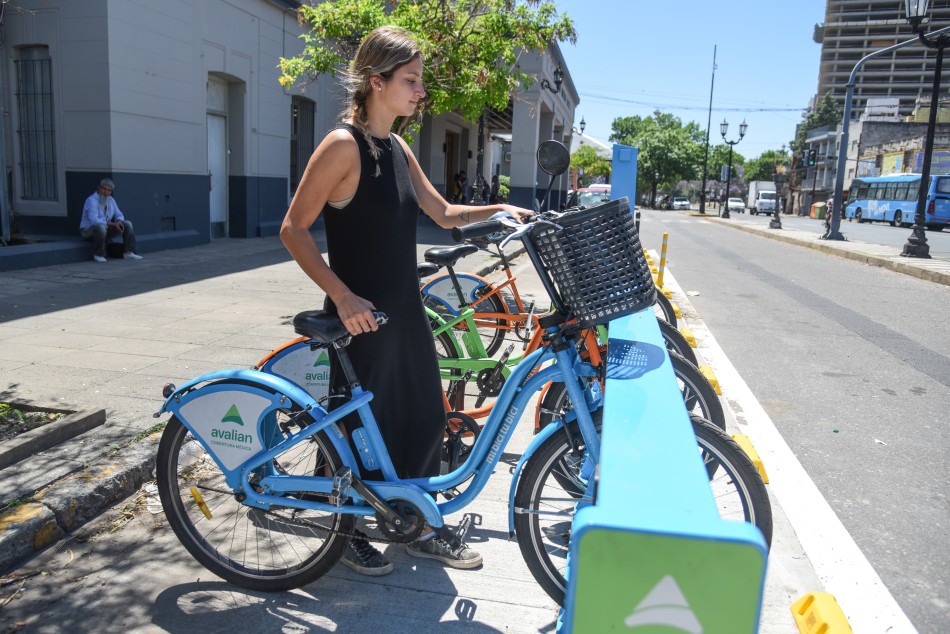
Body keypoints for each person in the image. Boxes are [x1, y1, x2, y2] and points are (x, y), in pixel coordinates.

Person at [279, 25, 533, 577]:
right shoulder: (341, 147)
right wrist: (341, 297)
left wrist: (498, 211)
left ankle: (414, 526)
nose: (421, 92)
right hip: (361, 317)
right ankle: (340, 530)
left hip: (405, 311)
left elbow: (442, 213)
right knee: (353, 428)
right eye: (411, 81)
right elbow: (293, 228)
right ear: (377, 81)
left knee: (422, 419)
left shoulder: (395, 147)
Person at [79, 178, 143, 262]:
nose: (106, 192)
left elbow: (119, 214)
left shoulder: (111, 200)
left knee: (127, 224)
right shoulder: (91, 200)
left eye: (109, 190)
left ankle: (128, 252)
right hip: (88, 231)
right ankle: (98, 254)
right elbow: (94, 221)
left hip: (105, 230)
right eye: (104, 189)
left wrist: (119, 222)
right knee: (100, 227)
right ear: (99, 188)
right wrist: (112, 224)